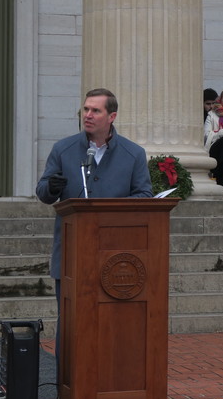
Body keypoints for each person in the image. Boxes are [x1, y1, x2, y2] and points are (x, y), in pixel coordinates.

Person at [35, 88, 152, 370]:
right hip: (73, 254)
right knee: (72, 321)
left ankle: (111, 379)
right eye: (85, 109)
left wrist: (112, 211)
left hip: (115, 254)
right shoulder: (63, 149)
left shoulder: (133, 153)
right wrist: (50, 188)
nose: (87, 115)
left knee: (113, 321)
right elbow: (43, 191)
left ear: (111, 116)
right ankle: (68, 382)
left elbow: (144, 196)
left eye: (95, 110)